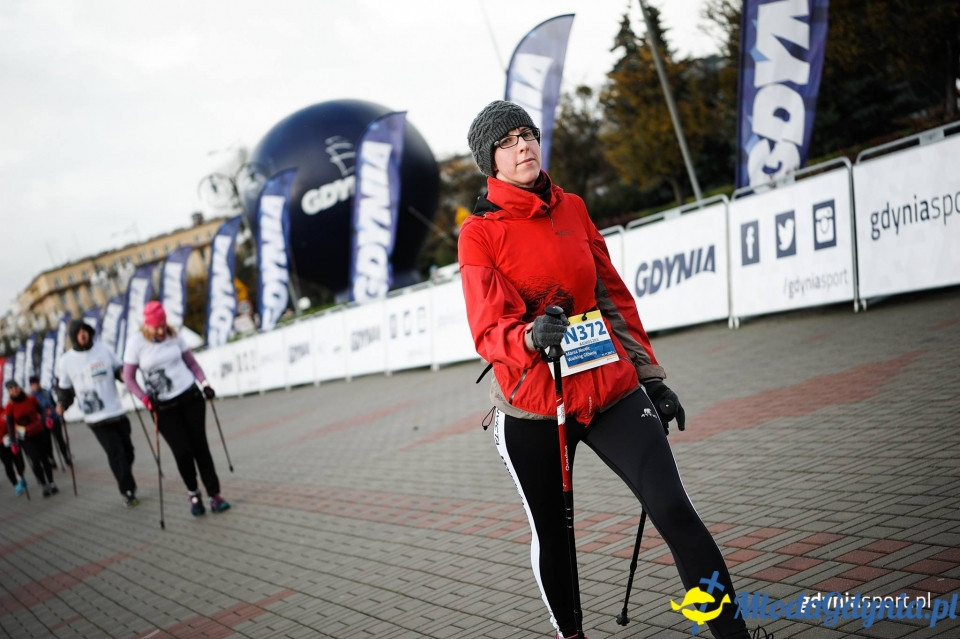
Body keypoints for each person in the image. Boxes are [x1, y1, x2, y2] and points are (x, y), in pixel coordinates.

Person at [459, 101, 766, 639]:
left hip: (608, 386)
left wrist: (650, 375)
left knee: (672, 507)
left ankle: (733, 635)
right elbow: (488, 330)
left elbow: (611, 296)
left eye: (527, 134)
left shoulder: (572, 208)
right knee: (555, 537)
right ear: (491, 161)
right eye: (506, 142)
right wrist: (529, 335)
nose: (523, 146)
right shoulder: (479, 234)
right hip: (534, 405)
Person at [123, 301, 229, 517]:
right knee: (182, 452)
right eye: (156, 327)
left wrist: (205, 384)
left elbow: (192, 364)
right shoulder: (136, 343)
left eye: (163, 325)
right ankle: (193, 493)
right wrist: (144, 399)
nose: (161, 330)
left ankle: (214, 495)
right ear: (147, 325)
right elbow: (128, 377)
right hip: (163, 407)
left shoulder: (174, 336)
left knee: (201, 447)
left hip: (190, 397)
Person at [56, 319, 139, 507]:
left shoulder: (103, 349)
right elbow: (65, 390)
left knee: (128, 451)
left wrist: (123, 376)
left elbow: (118, 368)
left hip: (116, 410)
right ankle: (127, 490)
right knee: (115, 452)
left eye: (85, 330)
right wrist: (62, 403)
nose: (83, 335)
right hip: (96, 418)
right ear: (73, 337)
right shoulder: (66, 361)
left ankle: (126, 478)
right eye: (78, 332)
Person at [4, 380, 58, 496]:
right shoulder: (10, 407)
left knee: (45, 458)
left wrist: (46, 418)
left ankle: (51, 482)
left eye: (15, 387)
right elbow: (10, 425)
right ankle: (43, 484)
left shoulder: (30, 398)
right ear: (9, 392)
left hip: (38, 431)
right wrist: (13, 442)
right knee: (35, 460)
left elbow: (41, 411)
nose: (14, 390)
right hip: (25, 437)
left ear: (19, 387)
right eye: (11, 389)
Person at [29, 374, 71, 468]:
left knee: (60, 439)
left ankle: (66, 457)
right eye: (33, 384)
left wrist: (57, 413)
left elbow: (53, 403)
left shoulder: (46, 392)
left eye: (37, 383)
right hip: (43, 422)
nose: (36, 385)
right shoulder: (31, 397)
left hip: (53, 419)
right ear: (31, 385)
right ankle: (51, 459)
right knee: (47, 442)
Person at [1, 407, 28, 496]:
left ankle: (21, 476)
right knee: (8, 465)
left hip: (12, 441)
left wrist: (14, 433)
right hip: (1, 445)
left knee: (20, 462)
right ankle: (15, 484)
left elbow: (14, 422)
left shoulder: (6, 410)